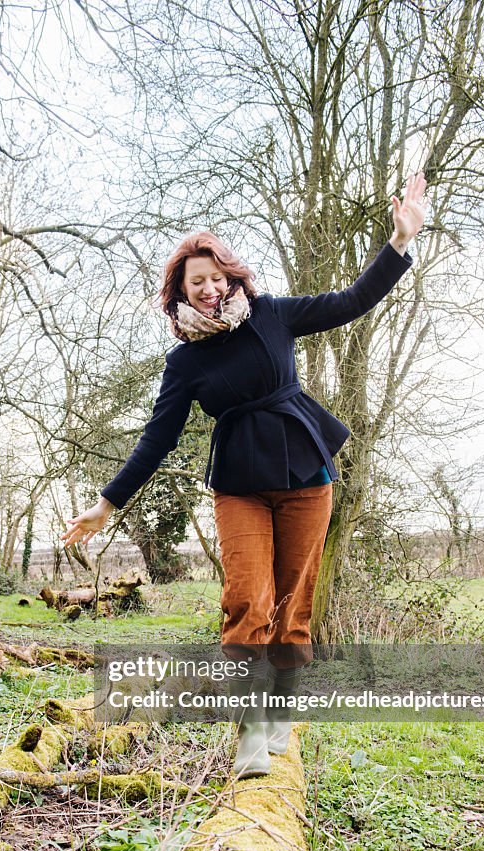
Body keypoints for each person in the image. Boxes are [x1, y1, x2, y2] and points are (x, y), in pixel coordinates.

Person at [62, 171, 428, 778]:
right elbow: (160, 435)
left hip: (307, 474)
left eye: (215, 278)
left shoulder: (273, 317)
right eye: (195, 282)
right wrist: (108, 504)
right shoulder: (184, 362)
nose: (208, 289)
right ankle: (249, 734)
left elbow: (352, 301)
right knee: (245, 600)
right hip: (239, 485)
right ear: (180, 293)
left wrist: (399, 242)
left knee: (292, 604)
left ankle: (277, 711)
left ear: (232, 276)